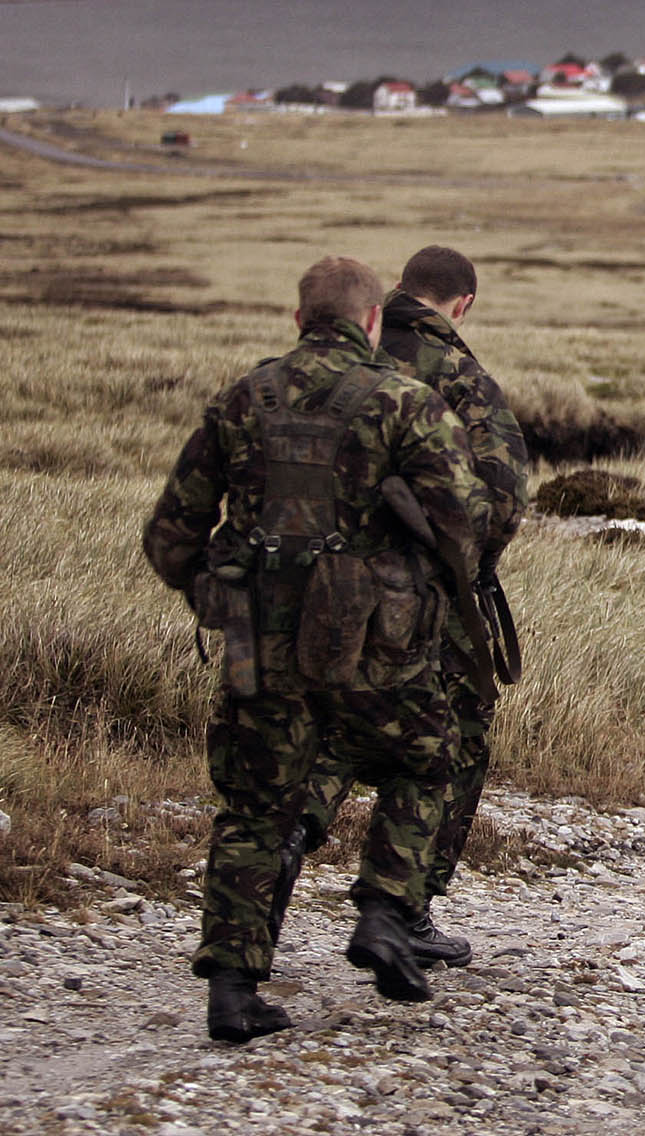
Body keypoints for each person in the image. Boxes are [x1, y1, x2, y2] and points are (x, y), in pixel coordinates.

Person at [142, 256, 486, 1042]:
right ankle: (385, 913)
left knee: (256, 810)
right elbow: (464, 521)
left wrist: (216, 587)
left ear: (299, 320)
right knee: (425, 760)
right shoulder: (407, 403)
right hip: (378, 647)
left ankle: (232, 992)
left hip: (258, 647)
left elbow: (169, 536)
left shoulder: (242, 399)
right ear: (372, 322)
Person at [284, 246, 530, 968]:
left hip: (306, 586)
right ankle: (404, 906)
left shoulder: (331, 361)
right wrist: (463, 565)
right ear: (464, 303)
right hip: (419, 598)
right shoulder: (458, 374)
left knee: (328, 726)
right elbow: (504, 495)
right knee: (449, 738)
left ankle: (286, 849)